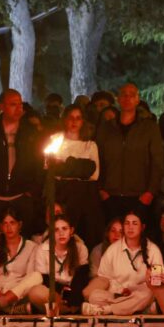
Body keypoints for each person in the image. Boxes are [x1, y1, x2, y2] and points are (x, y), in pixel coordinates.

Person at [0, 89, 42, 237]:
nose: (18, 109)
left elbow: (38, 162)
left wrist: (32, 191)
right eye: (13, 104)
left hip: (22, 195)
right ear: (2, 106)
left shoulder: (30, 132)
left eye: (20, 105)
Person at [95, 83, 164, 222]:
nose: (127, 98)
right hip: (110, 195)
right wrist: (100, 190)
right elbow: (97, 159)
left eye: (132, 95)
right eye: (124, 95)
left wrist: (150, 192)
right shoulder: (106, 128)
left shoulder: (149, 128)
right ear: (118, 99)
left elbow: (157, 162)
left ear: (138, 100)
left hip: (139, 196)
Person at [82, 209, 162, 315]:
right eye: (127, 223)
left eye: (134, 223)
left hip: (140, 294)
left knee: (148, 293)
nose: (130, 227)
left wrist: (148, 281)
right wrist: (120, 291)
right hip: (118, 294)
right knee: (94, 296)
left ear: (142, 227)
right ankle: (137, 309)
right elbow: (104, 278)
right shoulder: (112, 250)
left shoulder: (153, 250)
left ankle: (107, 310)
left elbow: (157, 281)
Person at [53, 104, 103, 249]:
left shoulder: (90, 145)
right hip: (63, 194)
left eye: (78, 118)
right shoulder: (55, 140)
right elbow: (51, 169)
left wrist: (66, 166)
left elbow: (94, 174)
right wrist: (83, 167)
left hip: (85, 195)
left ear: (83, 121)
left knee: (86, 234)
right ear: (64, 119)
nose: (74, 122)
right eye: (70, 117)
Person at [29, 214, 90, 313]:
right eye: (56, 230)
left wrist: (70, 296)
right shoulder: (43, 249)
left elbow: (82, 278)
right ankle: (64, 310)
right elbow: (44, 279)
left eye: (64, 229)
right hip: (53, 294)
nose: (61, 233)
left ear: (71, 231)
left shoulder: (80, 248)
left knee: (86, 293)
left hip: (74, 294)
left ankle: (63, 309)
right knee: (35, 291)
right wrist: (60, 292)